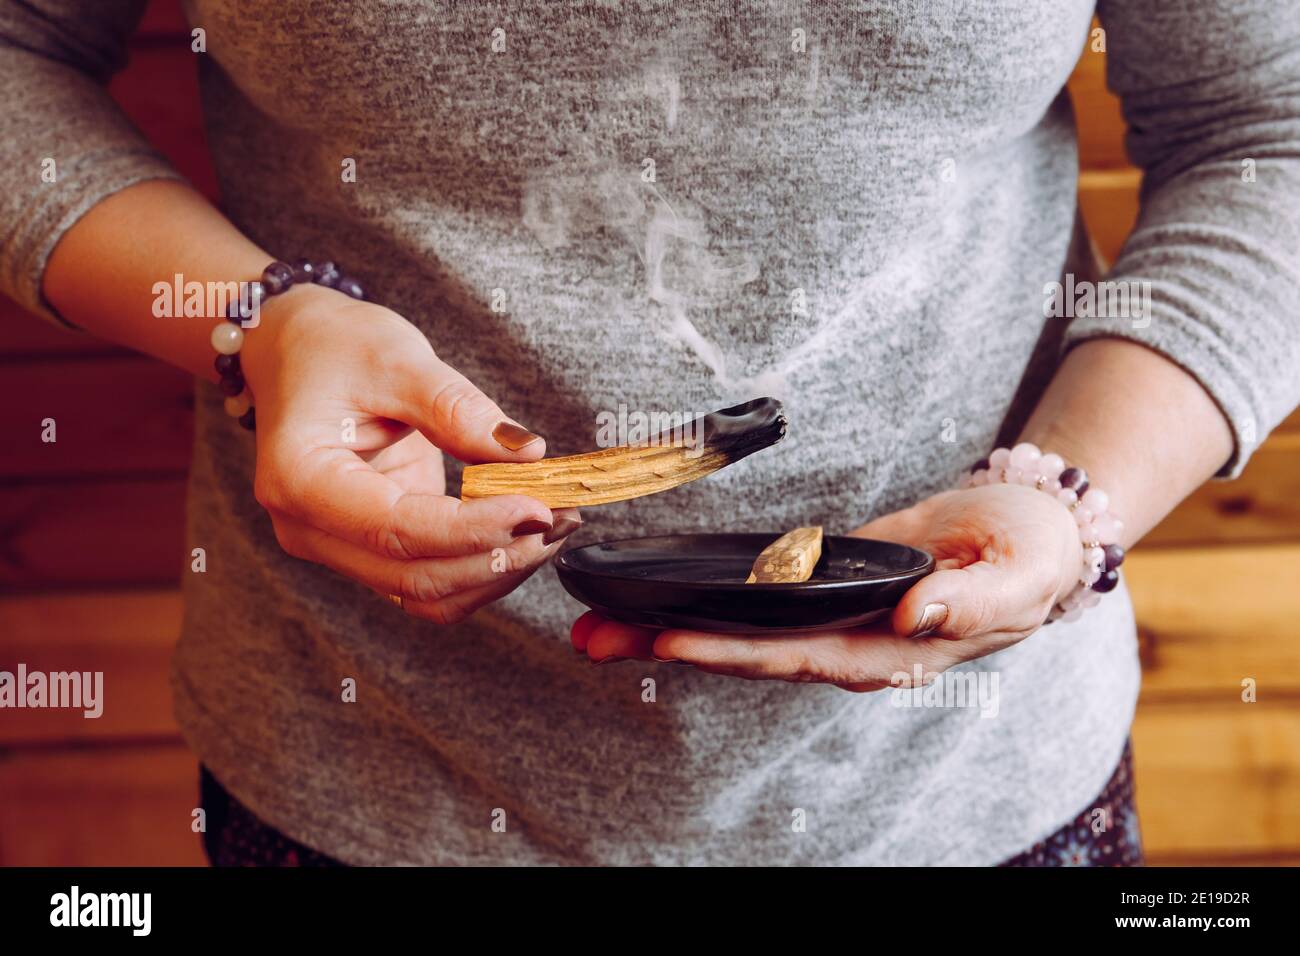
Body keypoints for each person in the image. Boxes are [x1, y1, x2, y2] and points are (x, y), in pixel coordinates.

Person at [2, 0, 1297, 866]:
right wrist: (251, 324)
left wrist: (1070, 501)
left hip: (967, 787)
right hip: (364, 786)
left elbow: (1272, 129)